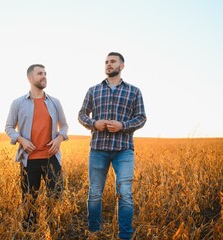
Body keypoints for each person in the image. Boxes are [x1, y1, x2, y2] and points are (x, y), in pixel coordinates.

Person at [78, 52, 146, 240]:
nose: (108, 64)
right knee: (95, 193)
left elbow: (141, 118)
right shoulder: (93, 90)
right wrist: (94, 123)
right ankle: (94, 233)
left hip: (123, 150)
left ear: (122, 66)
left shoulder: (134, 91)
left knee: (125, 194)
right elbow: (82, 114)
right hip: (98, 149)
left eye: (113, 61)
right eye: (106, 62)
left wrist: (123, 126)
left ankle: (125, 236)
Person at [5, 64, 69, 229]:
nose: (44, 76)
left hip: (52, 159)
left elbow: (65, 126)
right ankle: (29, 232)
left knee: (55, 199)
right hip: (29, 160)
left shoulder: (55, 102)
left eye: (45, 73)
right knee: (28, 201)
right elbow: (9, 127)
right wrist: (21, 140)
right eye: (40, 73)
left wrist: (59, 138)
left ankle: (52, 231)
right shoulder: (18, 103)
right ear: (30, 78)